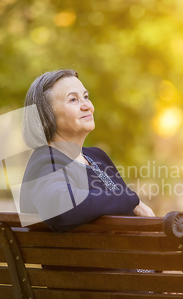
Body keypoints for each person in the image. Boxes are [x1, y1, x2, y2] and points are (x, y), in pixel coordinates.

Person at [19, 69, 155, 232]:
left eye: (86, 97)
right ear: (46, 115)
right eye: (73, 100)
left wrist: (130, 201)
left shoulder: (97, 157)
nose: (87, 106)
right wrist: (132, 201)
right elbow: (60, 208)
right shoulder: (45, 162)